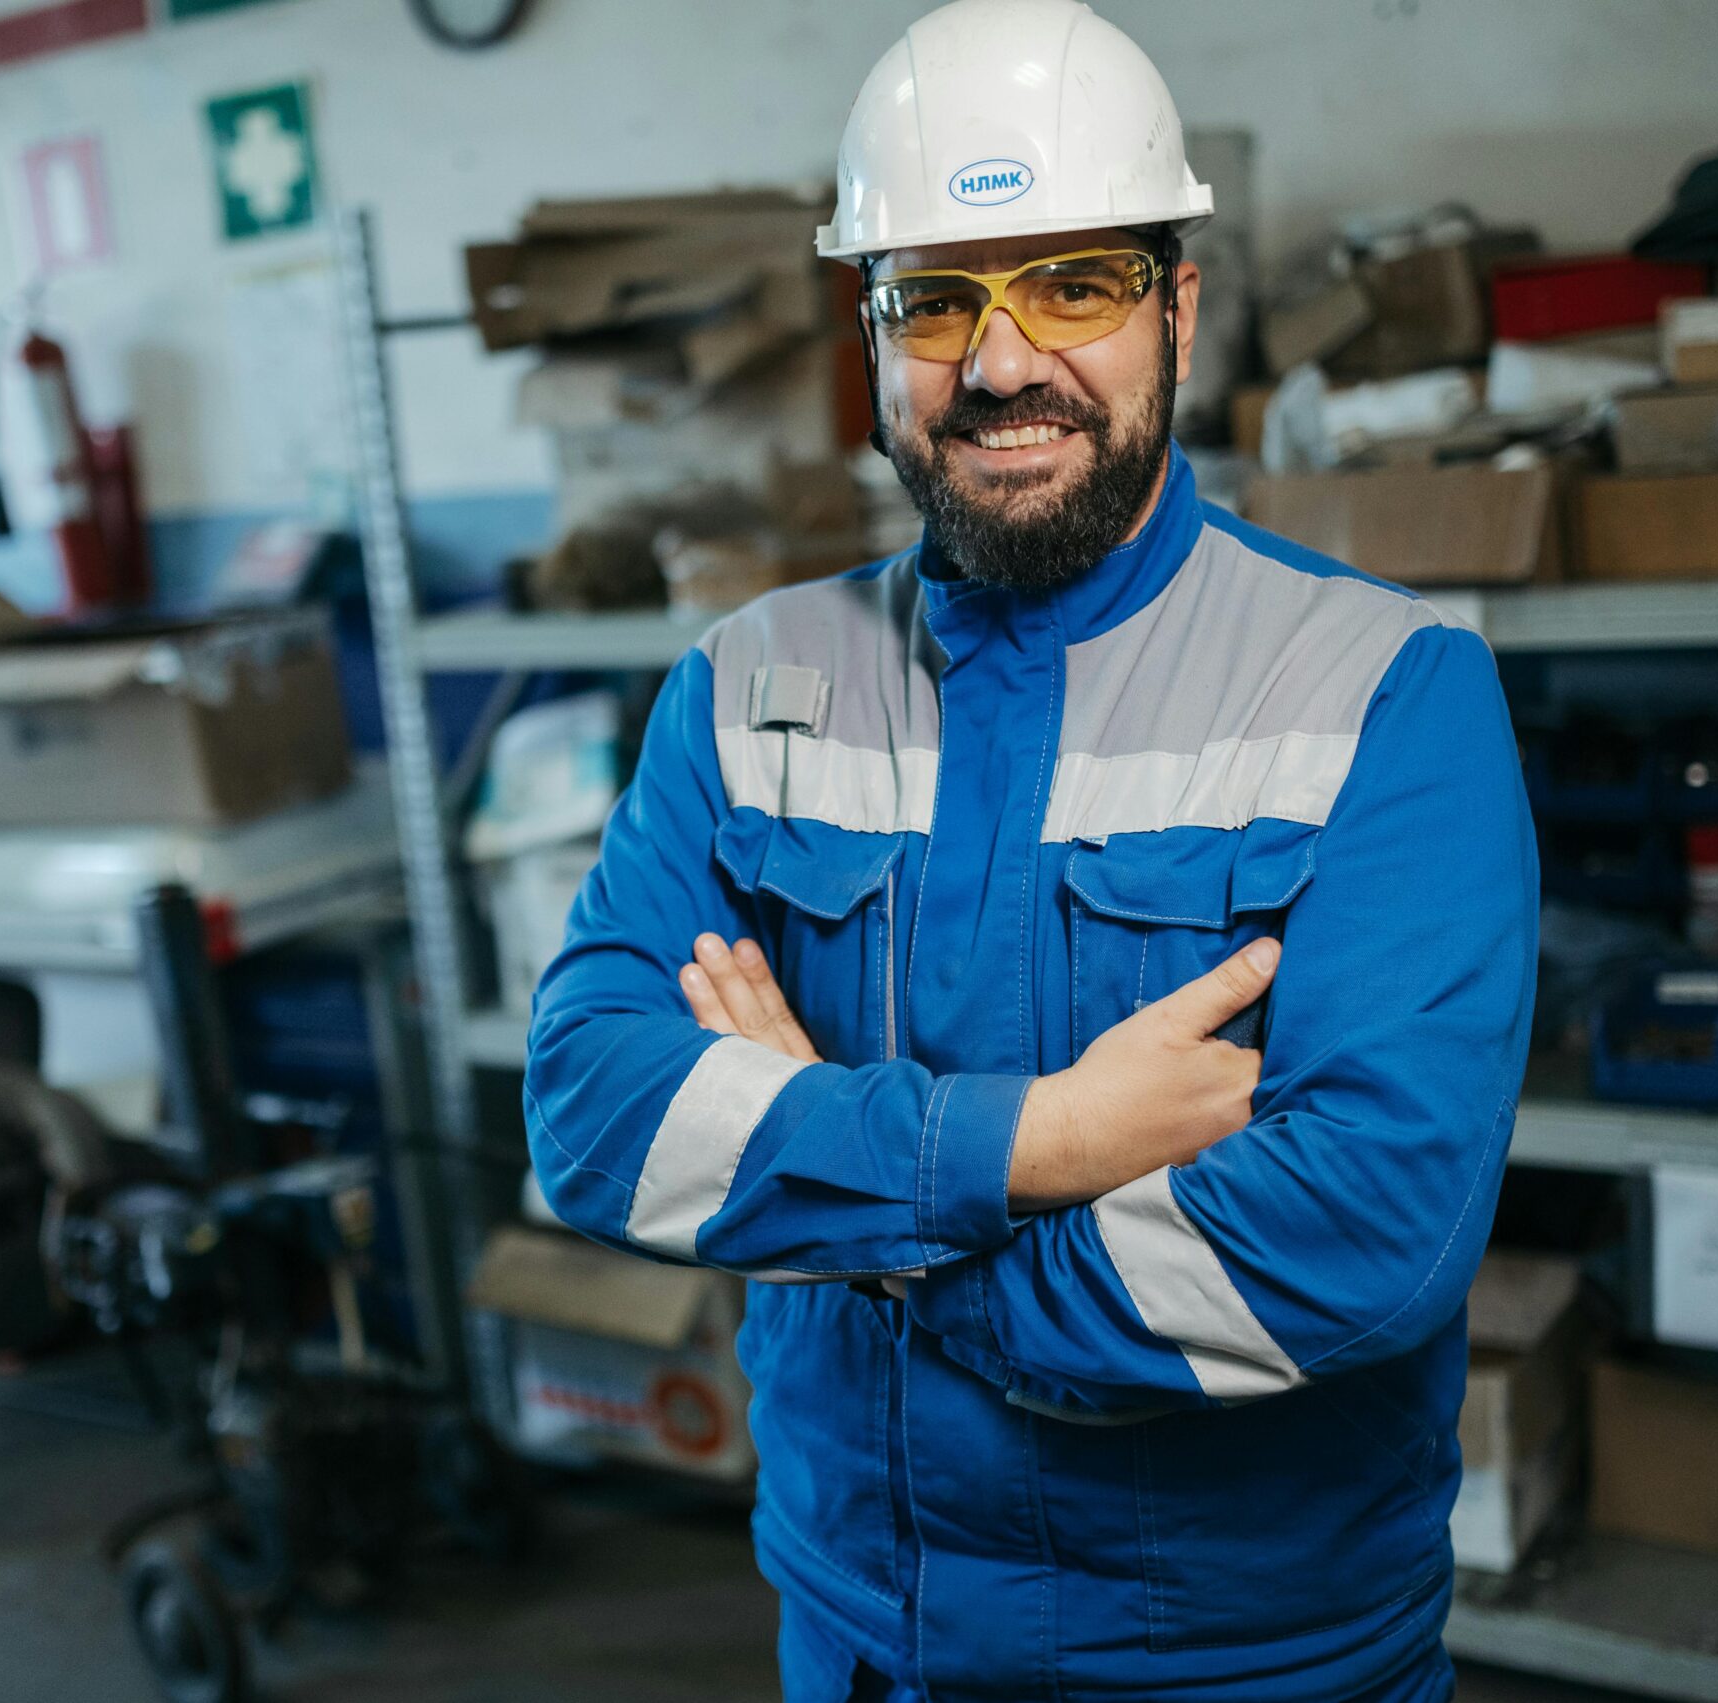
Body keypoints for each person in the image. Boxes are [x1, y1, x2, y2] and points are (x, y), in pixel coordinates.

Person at [523, 2, 1539, 1697]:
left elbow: (1364, 1230)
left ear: (1179, 310)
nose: (1000, 365)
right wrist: (1053, 1138)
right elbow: (597, 1117)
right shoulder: (745, 686)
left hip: (1242, 1668)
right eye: (934, 299)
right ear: (871, 334)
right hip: (860, 1637)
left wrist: (884, 1253)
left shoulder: (1384, 694)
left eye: (1075, 283)